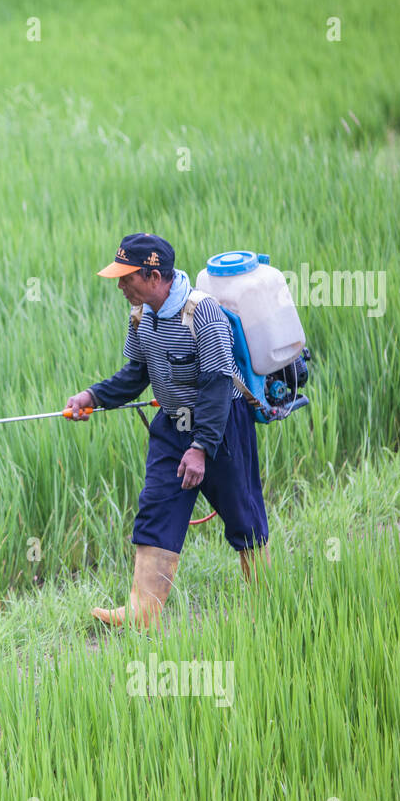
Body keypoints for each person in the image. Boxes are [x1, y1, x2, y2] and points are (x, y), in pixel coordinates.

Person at [66, 233, 271, 630]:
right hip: (171, 426)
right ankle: (142, 611)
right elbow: (135, 375)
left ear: (154, 275)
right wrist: (91, 397)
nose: (120, 285)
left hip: (221, 425)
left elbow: (216, 384)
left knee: (242, 514)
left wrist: (201, 448)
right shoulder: (143, 315)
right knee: (156, 506)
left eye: (127, 278)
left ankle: (265, 599)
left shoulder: (203, 315)